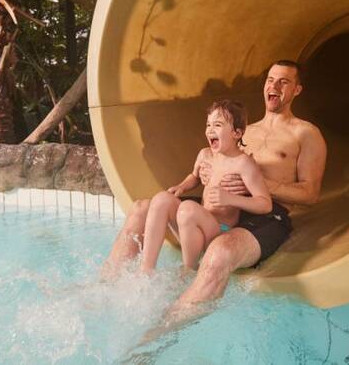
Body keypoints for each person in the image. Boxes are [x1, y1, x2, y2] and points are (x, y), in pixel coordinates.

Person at [101, 60, 327, 315]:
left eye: (283, 81)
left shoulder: (306, 134)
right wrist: (206, 174)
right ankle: (105, 289)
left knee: (220, 251)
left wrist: (261, 185)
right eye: (270, 80)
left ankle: (164, 329)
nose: (274, 86)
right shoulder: (243, 131)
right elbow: (213, 161)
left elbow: (310, 194)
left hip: (266, 214)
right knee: (143, 207)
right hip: (224, 207)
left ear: (297, 90)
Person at [140, 99, 272, 272]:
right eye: (208, 124)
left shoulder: (243, 164)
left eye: (217, 125)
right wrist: (183, 186)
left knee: (187, 208)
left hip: (218, 232)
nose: (210, 129)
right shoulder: (205, 154)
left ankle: (189, 270)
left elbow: (265, 203)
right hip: (193, 229)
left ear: (237, 133)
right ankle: (146, 270)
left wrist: (231, 199)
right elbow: (194, 177)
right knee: (161, 199)